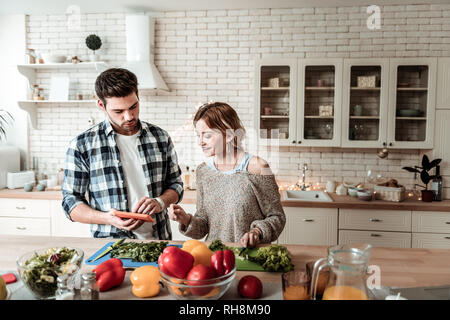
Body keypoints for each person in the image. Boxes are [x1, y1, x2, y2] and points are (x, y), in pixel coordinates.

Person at [62, 68, 183, 239]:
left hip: (159, 242)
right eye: (118, 111)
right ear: (101, 106)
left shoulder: (160, 137)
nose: (128, 116)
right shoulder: (82, 145)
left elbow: (176, 185)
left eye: (133, 106)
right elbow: (70, 202)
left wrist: (160, 202)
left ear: (138, 95)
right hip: (109, 246)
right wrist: (107, 219)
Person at [168, 102, 286, 248]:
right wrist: (186, 219)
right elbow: (203, 225)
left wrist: (257, 232)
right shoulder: (203, 172)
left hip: (250, 256)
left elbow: (277, 217)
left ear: (229, 135)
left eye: (207, 136)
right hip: (214, 258)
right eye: (198, 135)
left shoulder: (258, 167)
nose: (200, 142)